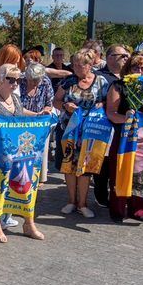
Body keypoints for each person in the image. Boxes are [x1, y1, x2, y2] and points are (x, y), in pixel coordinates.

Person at [0, 63, 44, 242]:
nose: (15, 84)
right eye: (11, 79)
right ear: (0, 79)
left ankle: (28, 223)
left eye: (18, 80)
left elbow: (20, 114)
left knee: (24, 186)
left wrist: (38, 115)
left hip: (16, 152)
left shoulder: (15, 98)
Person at [53, 50, 108, 218]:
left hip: (90, 130)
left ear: (90, 65)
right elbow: (56, 100)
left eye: (80, 65)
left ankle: (83, 204)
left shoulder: (101, 81)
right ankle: (71, 201)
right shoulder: (68, 81)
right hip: (68, 129)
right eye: (74, 64)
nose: (76, 68)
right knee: (69, 165)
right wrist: (65, 106)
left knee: (85, 168)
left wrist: (102, 103)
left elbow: (110, 100)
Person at [106, 54, 143, 222]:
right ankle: (117, 209)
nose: (140, 71)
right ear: (128, 69)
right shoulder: (118, 86)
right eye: (136, 67)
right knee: (120, 171)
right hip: (123, 135)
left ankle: (139, 210)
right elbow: (111, 113)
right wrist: (127, 119)